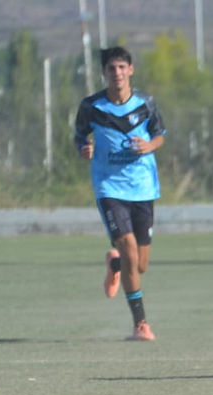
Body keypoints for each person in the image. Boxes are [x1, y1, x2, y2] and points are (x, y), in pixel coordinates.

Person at [75, 46, 166, 341]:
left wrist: (149, 146)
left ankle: (115, 264)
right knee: (128, 248)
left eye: (122, 67)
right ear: (104, 72)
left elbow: (160, 135)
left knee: (139, 265)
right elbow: (79, 136)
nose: (117, 73)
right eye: (111, 68)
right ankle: (141, 324)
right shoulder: (91, 106)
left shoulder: (146, 104)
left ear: (131, 69)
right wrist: (84, 148)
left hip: (143, 187)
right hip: (109, 187)